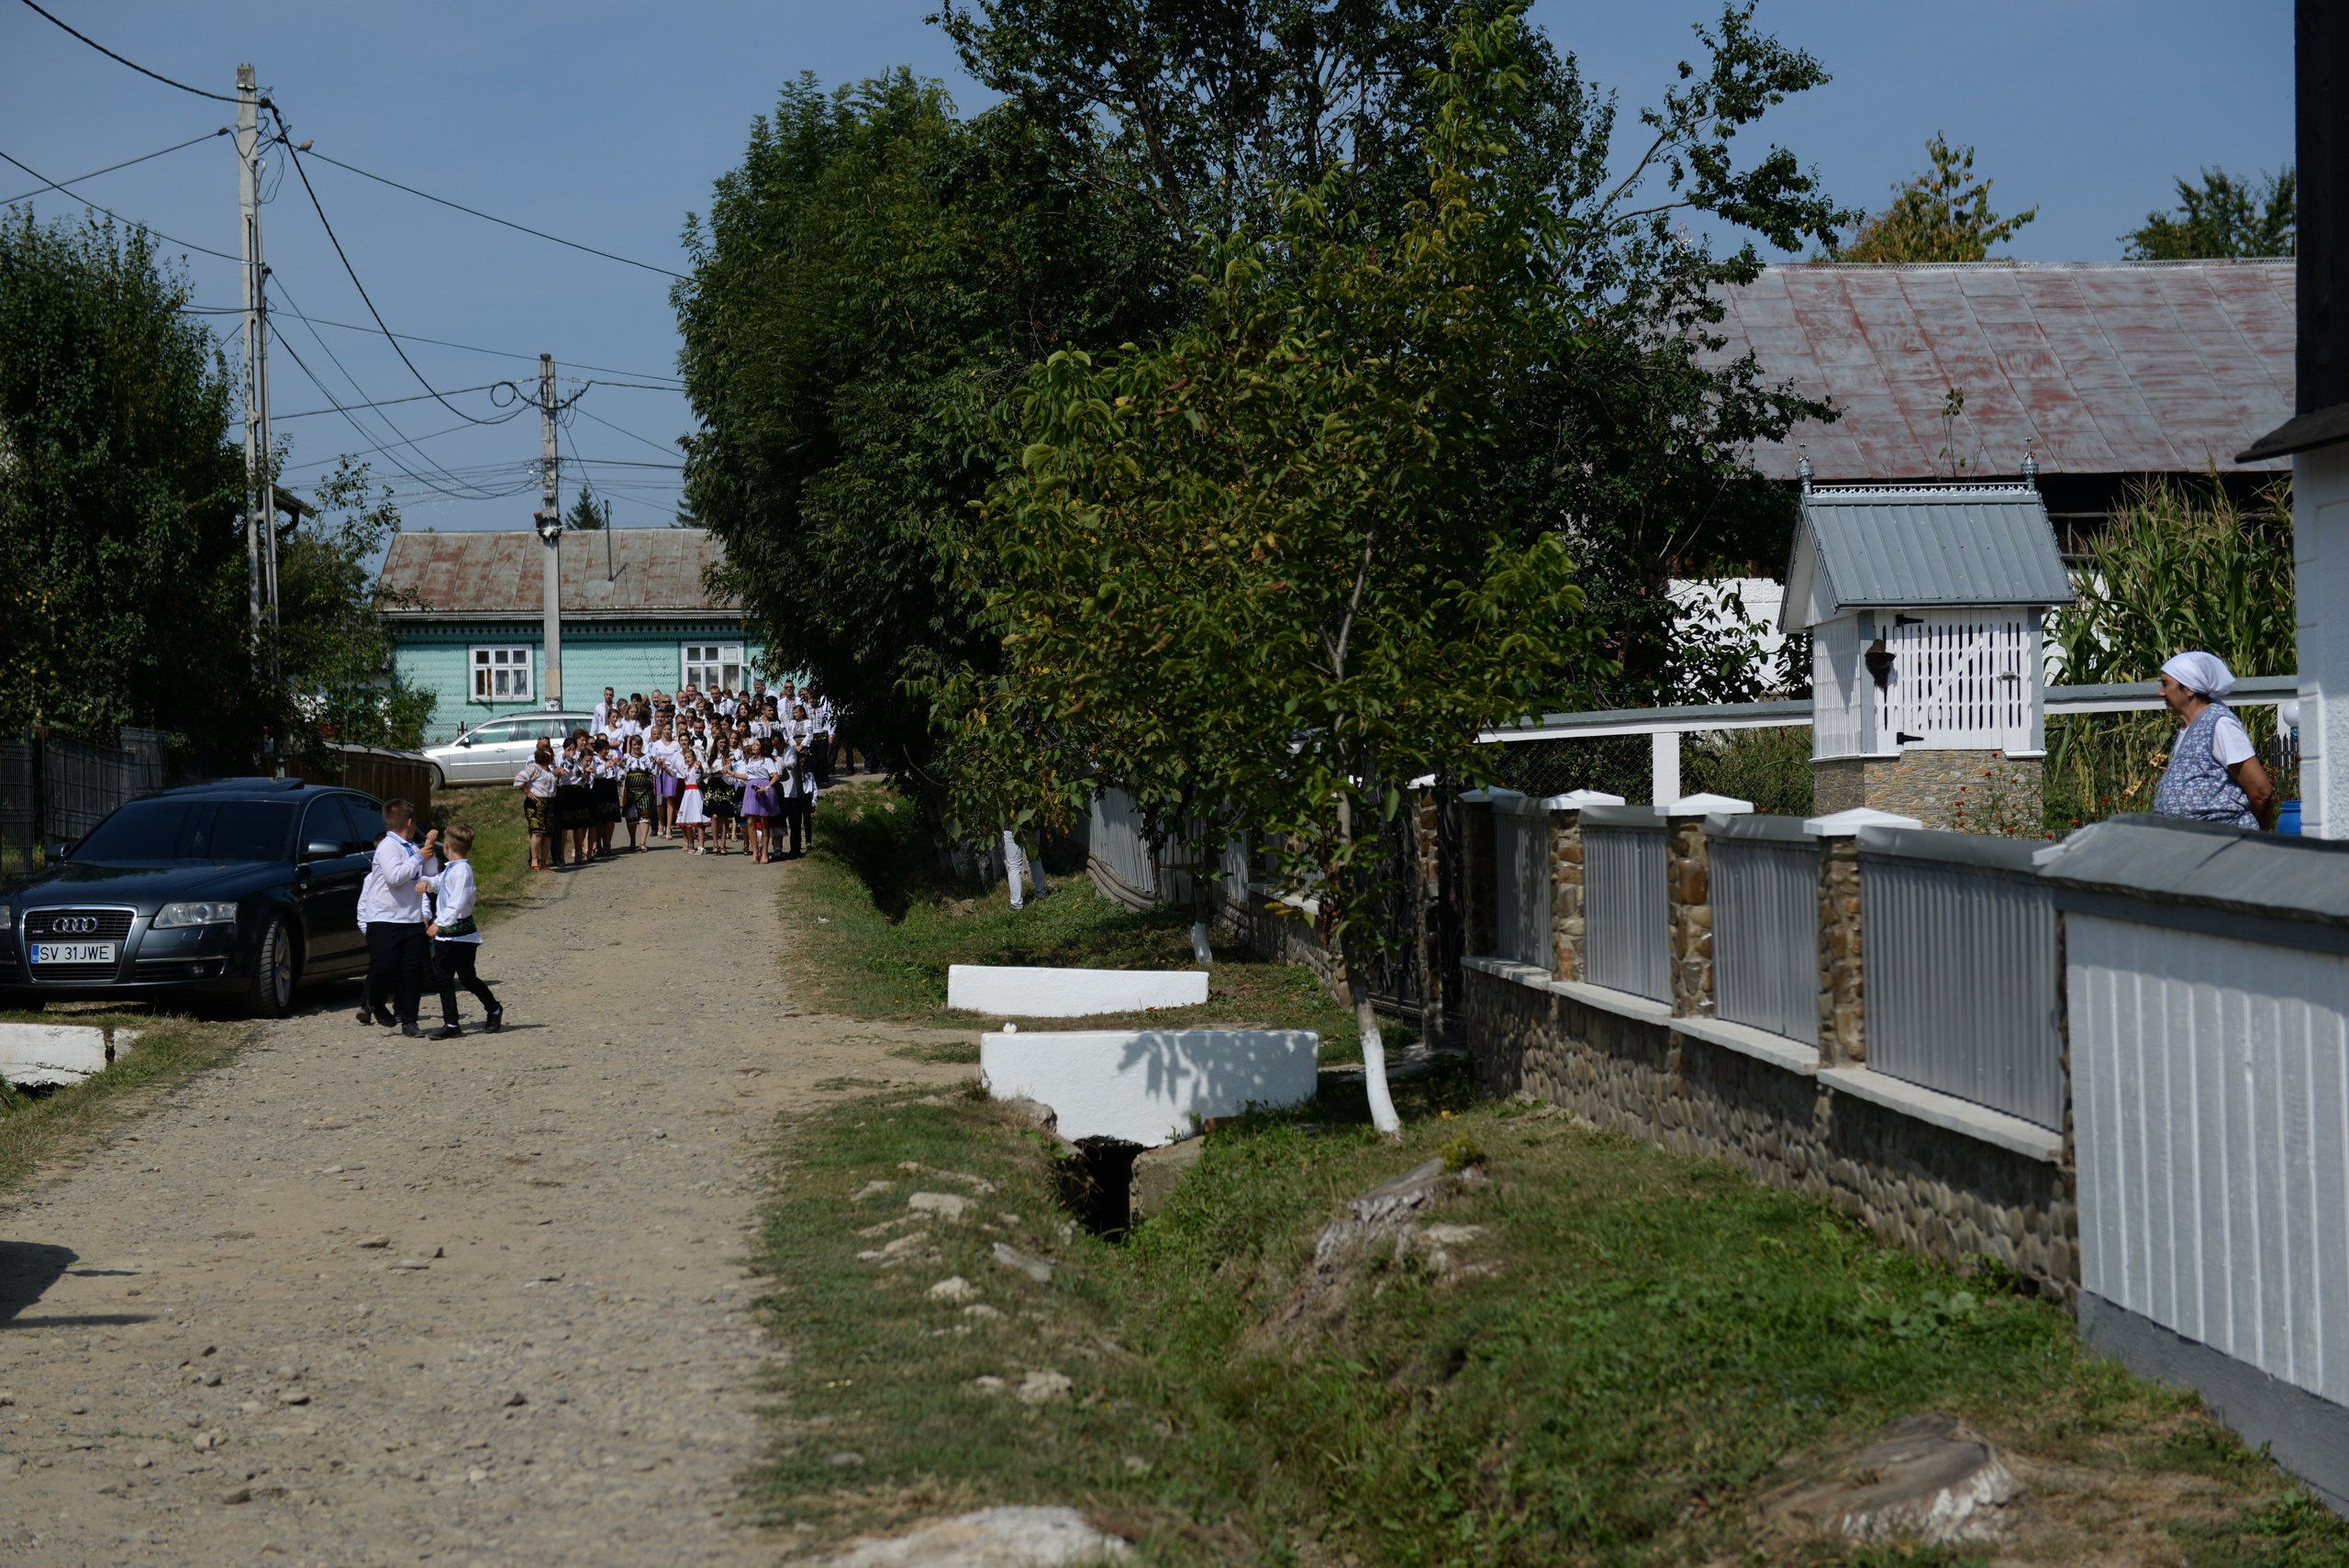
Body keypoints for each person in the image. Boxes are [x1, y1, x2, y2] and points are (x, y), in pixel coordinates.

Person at [2154, 651, 2277, 829]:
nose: (2161, 693)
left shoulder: (2220, 724)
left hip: (2224, 840)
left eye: (2165, 684)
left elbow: (2261, 793)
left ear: (2189, 688)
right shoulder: (2187, 728)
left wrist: (2258, 835)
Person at [359, 798, 440, 1038]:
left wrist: (429, 851)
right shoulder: (388, 846)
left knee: (412, 971)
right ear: (410, 822)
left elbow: (431, 876)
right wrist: (418, 858)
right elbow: (394, 877)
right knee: (384, 967)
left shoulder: (413, 847)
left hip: (412, 918)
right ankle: (375, 1000)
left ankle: (409, 1019)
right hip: (384, 918)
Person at [416, 820, 502, 1040]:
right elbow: (440, 883)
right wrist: (426, 882)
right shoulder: (451, 869)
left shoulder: (463, 871)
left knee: (467, 978)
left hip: (462, 936)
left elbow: (457, 902)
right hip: (445, 937)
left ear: (446, 846)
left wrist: (438, 923)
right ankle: (451, 1024)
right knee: (443, 979)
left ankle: (494, 1009)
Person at [514, 738, 560, 870]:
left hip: (549, 803)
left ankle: (544, 861)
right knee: (537, 832)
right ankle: (534, 860)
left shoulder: (549, 772)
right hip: (536, 803)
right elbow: (519, 779)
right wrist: (528, 792)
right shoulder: (534, 768)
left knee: (548, 834)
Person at [622, 734, 656, 851]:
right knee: (631, 815)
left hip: (646, 789)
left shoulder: (648, 757)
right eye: (635, 744)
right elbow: (620, 774)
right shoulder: (626, 758)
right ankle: (632, 841)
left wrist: (659, 764)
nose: (637, 747)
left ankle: (643, 843)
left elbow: (656, 771)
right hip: (631, 790)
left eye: (639, 744)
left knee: (645, 815)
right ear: (631, 745)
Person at [675, 746, 707, 853]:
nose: (687, 759)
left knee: (698, 822)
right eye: (685, 758)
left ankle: (701, 846)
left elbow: (698, 778)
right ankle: (691, 844)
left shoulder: (696, 768)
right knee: (688, 823)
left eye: (689, 757)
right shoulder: (686, 769)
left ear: (694, 757)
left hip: (695, 794)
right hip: (687, 795)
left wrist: (698, 768)